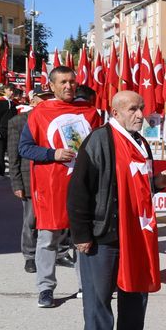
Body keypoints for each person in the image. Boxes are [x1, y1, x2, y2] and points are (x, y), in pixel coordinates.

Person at [68, 91, 166, 330]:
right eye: (133, 109)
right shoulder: (99, 140)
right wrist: (81, 234)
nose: (141, 115)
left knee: (136, 288)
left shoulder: (140, 142)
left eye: (141, 108)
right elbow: (79, 190)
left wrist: (157, 183)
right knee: (99, 295)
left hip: (136, 232)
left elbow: (135, 188)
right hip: (104, 233)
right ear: (115, 113)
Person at [20, 66, 102, 309]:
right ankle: (45, 288)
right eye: (63, 82)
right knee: (48, 238)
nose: (69, 86)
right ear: (52, 86)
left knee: (83, 238)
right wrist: (52, 153)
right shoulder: (40, 112)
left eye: (72, 82)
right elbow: (25, 148)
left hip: (83, 186)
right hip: (52, 187)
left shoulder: (89, 112)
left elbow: (100, 146)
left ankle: (85, 286)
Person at [9, 92, 38, 274]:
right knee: (31, 220)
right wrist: (17, 183)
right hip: (29, 179)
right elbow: (13, 156)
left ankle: (60, 252)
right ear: (33, 101)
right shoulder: (18, 122)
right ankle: (30, 256)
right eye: (44, 98)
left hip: (51, 177)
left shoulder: (55, 118)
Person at [0, 86, 14, 177]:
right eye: (10, 90)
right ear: (5, 90)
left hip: (11, 130)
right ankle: (0, 172)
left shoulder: (13, 103)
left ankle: (13, 171)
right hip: (2, 130)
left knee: (11, 152)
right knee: (1, 152)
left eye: (13, 91)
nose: (12, 92)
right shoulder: (0, 102)